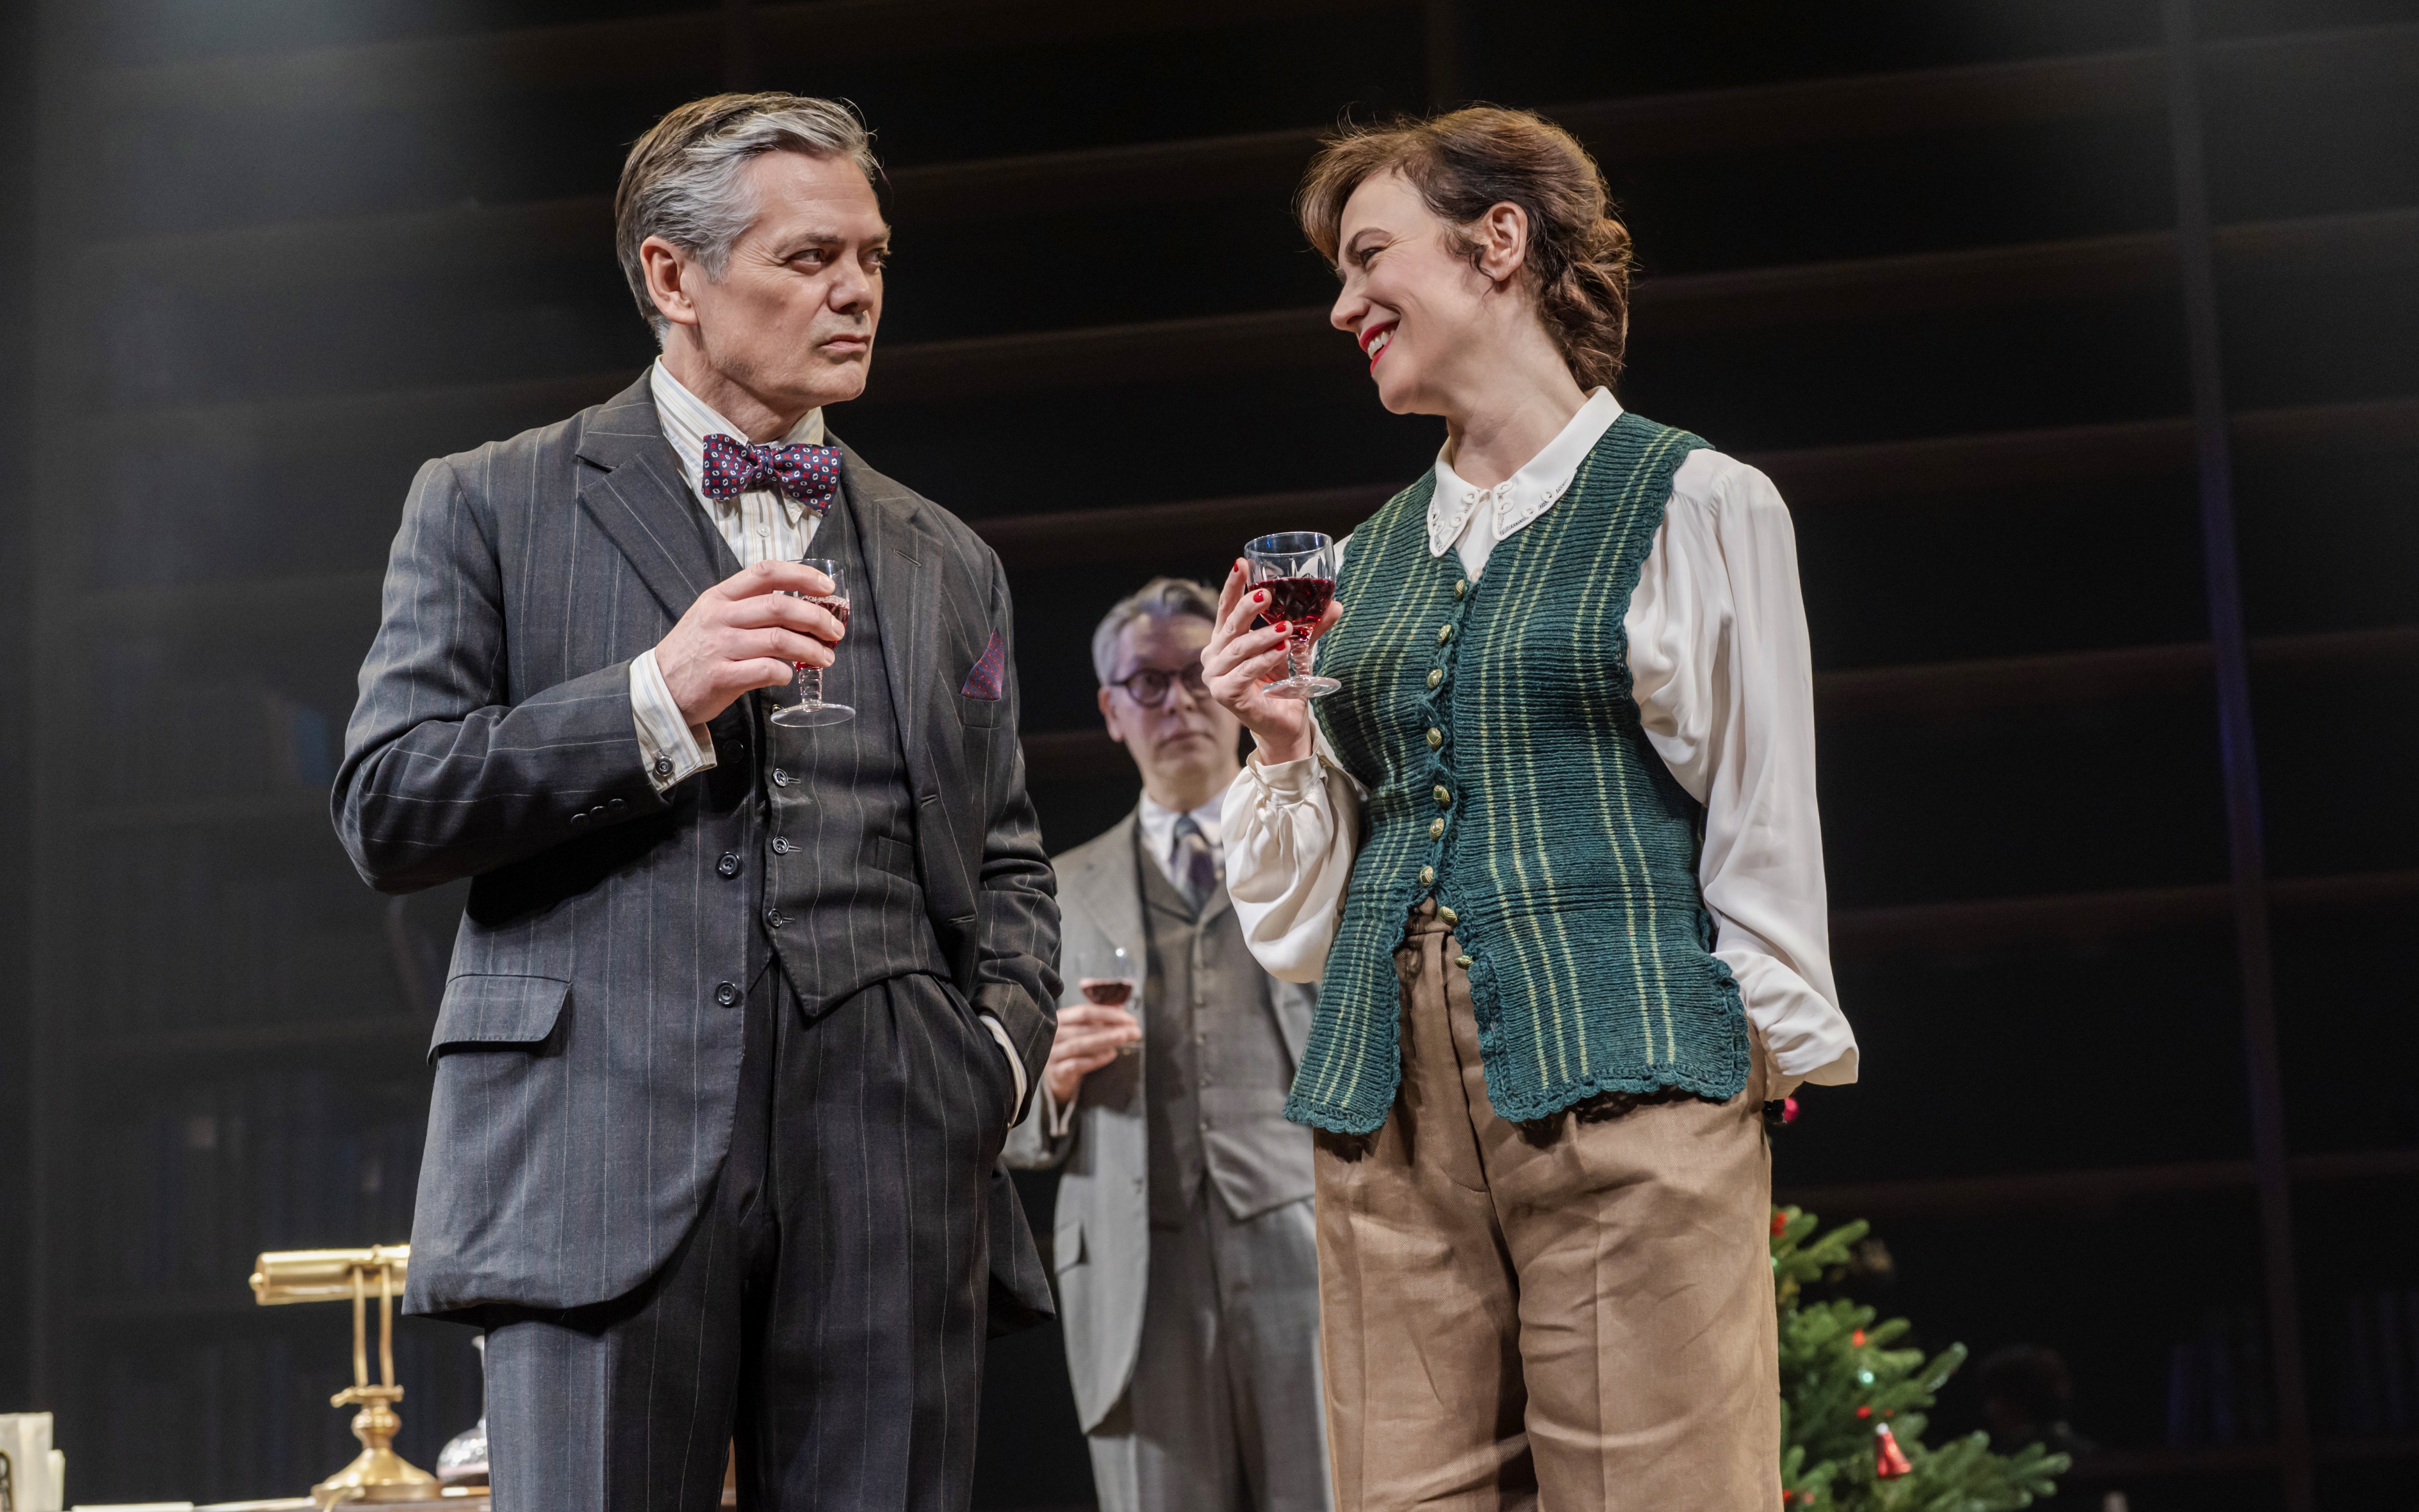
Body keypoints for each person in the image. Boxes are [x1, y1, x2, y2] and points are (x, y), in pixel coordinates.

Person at [334, 93, 1059, 1511]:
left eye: (872, 256)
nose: (856, 291)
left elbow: (1008, 861)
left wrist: (992, 1067)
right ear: (672, 276)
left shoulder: (943, 556)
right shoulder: (490, 503)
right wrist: (652, 697)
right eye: (807, 259)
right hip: (594, 1156)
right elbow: (389, 803)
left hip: (892, 1167)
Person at [1201, 107, 1859, 1509]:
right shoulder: (1363, 560)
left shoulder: (1692, 499)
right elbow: (1307, 927)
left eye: (1369, 255)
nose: (1341, 305)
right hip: (1387, 1128)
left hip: (1629, 1082)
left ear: (1497, 242)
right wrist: (1273, 743)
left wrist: (1744, 1064)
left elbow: (1762, 816)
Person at [1004, 579, 1330, 1512]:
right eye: (1146, 684)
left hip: (1300, 1245)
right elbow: (1001, 1118)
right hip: (1130, 1273)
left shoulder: (1317, 844)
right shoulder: (1053, 889)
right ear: (1110, 711)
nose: (1178, 701)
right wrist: (1048, 1079)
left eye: (1195, 674)